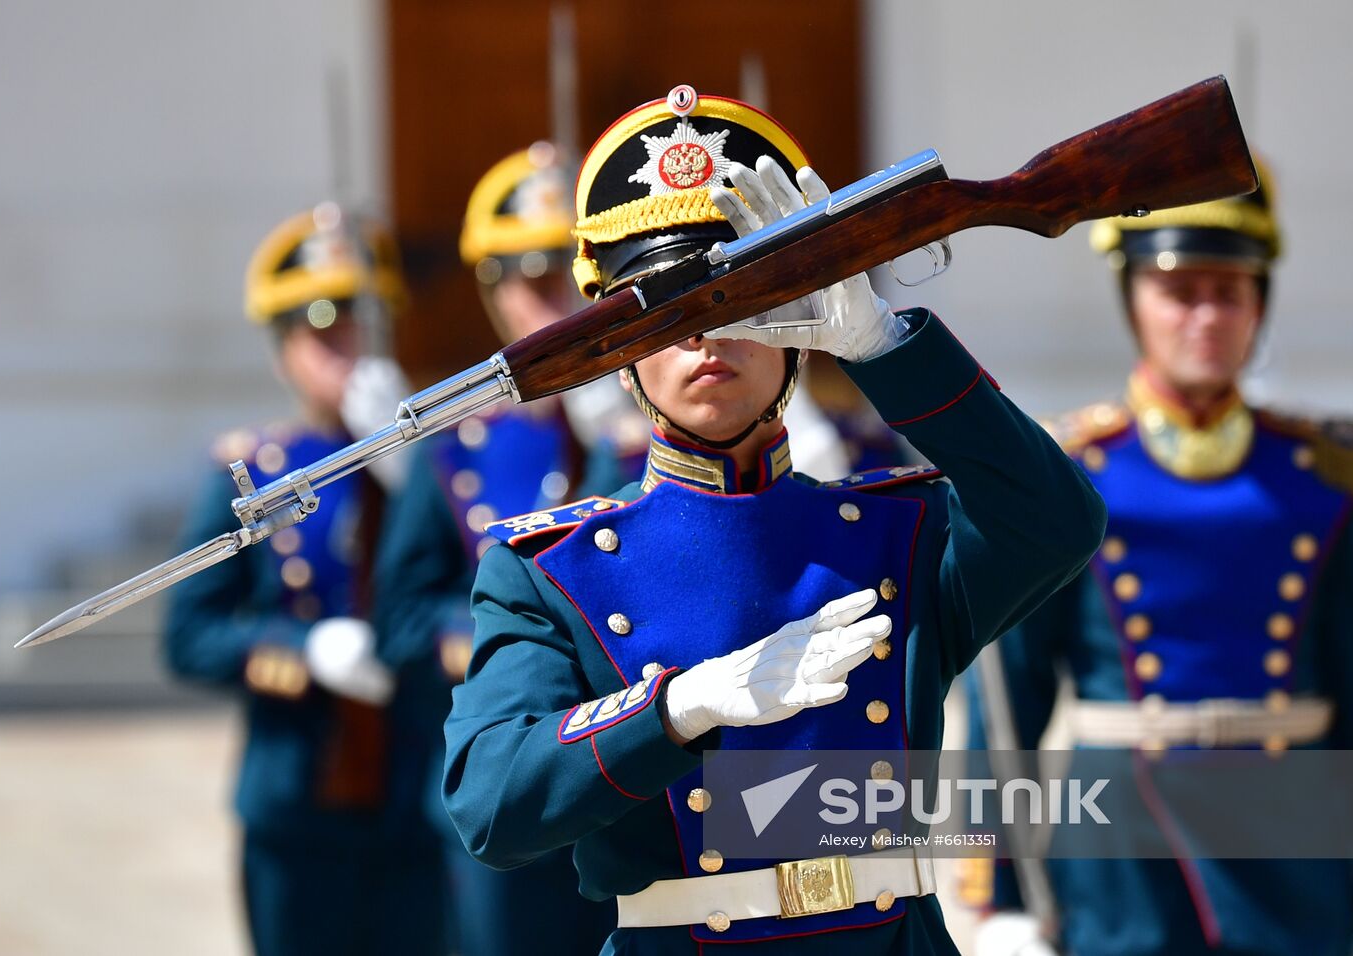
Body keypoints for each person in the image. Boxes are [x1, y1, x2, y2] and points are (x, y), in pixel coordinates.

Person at [441, 86, 1106, 953]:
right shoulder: (550, 569)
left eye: (739, 297)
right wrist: (677, 710)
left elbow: (1058, 521)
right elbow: (492, 805)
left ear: (798, 325)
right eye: (662, 311)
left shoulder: (896, 535)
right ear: (620, 353)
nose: (705, 338)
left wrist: (885, 349)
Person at [966, 165, 1353, 956]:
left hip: (1300, 849)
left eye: (1230, 290)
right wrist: (997, 894)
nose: (1206, 316)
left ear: (1260, 305)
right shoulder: (1067, 477)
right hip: (1120, 853)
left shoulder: (1326, 480)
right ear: (1133, 298)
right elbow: (1007, 707)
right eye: (1180, 291)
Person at [163, 203, 447, 956]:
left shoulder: (444, 466)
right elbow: (190, 635)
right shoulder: (252, 473)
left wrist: (418, 464)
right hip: (300, 797)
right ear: (284, 347)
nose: (343, 350)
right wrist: (303, 647)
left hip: (422, 790)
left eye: (358, 327)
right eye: (321, 333)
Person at [372, 142, 623, 954]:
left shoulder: (652, 423)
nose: (552, 298)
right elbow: (401, 618)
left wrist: (620, 446)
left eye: (567, 271)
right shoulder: (455, 450)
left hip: (635, 782)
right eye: (528, 276)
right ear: (493, 294)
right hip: (514, 781)